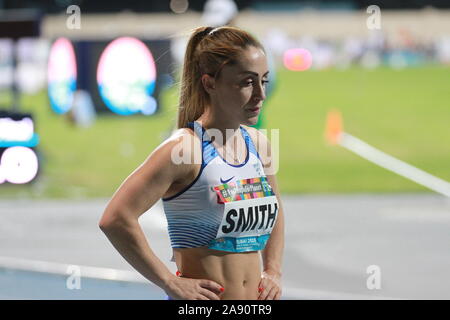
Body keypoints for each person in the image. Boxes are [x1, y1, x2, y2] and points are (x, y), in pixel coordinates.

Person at [99, 26, 285, 300]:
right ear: (210, 83)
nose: (260, 94)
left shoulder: (259, 145)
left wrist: (273, 271)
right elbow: (115, 219)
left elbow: (276, 210)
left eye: (264, 81)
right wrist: (168, 282)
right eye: (247, 82)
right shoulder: (184, 149)